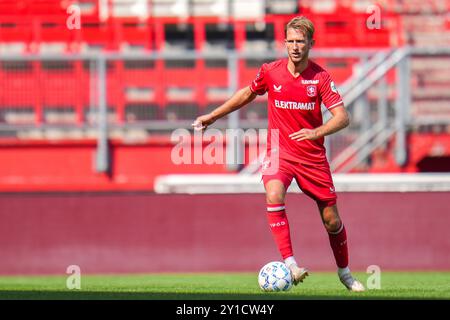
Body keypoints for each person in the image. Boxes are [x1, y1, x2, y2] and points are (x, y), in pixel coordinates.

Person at [192, 16, 365, 292]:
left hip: (312, 156)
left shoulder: (320, 77)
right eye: (291, 41)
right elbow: (247, 94)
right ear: (285, 43)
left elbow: (342, 118)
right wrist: (213, 116)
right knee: (273, 195)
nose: (295, 47)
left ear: (311, 43)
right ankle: (291, 264)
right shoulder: (270, 71)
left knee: (331, 219)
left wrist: (315, 133)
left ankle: (344, 273)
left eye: (301, 41)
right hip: (279, 149)